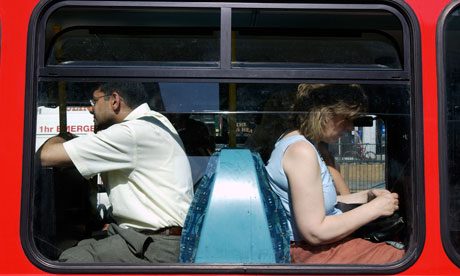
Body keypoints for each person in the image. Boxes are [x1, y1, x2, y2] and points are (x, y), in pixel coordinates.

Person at [40, 82, 194, 263]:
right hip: (157, 239)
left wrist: (63, 137)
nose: (90, 108)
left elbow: (46, 156)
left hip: (156, 246)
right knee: (84, 246)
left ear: (115, 101)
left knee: (69, 259)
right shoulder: (154, 123)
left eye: (94, 101)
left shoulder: (131, 133)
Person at [265, 83, 404, 264]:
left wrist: (365, 196)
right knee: (402, 258)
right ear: (323, 114)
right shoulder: (301, 151)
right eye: (345, 118)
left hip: (316, 249)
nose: (350, 127)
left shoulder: (299, 143)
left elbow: (315, 203)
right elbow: (315, 232)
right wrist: (375, 208)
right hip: (313, 252)